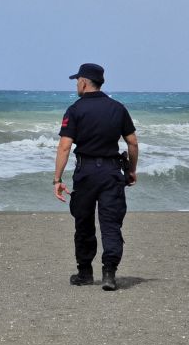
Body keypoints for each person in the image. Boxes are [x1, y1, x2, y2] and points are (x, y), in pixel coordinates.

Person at [53, 63, 138, 291]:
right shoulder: (117, 108)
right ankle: (109, 274)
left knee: (84, 222)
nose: (76, 85)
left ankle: (85, 273)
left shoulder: (75, 110)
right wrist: (131, 170)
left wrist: (57, 179)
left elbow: (64, 147)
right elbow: (132, 142)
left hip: (86, 172)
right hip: (111, 172)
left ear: (83, 81)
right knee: (111, 224)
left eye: (76, 81)